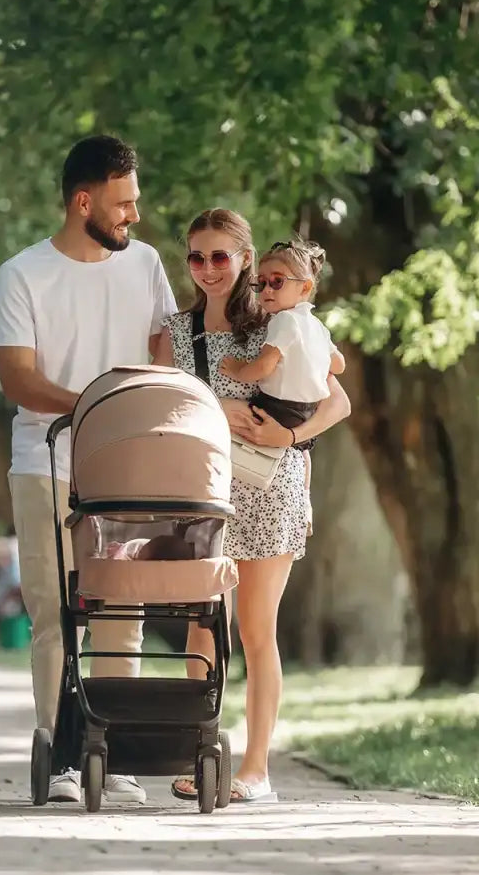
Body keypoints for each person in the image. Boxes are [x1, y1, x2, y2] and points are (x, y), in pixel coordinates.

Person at [0, 134, 177, 805]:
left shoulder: (147, 264)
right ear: (82, 200)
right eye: (123, 203)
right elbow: (18, 378)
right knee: (55, 612)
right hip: (46, 462)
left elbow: (167, 348)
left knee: (125, 606)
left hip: (127, 464)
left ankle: (112, 749)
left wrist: (150, 394)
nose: (134, 216)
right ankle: (64, 753)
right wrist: (97, 402)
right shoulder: (23, 274)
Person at [153, 208, 350, 804]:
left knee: (257, 629)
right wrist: (214, 403)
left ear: (244, 257)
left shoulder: (273, 323)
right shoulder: (173, 331)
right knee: (202, 627)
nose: (208, 269)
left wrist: (288, 435)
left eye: (220, 256)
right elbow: (160, 406)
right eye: (196, 257)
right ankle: (202, 753)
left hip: (271, 487)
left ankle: (256, 770)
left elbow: (337, 399)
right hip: (203, 488)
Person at [216, 238, 343, 447]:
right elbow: (339, 364)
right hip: (307, 413)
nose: (267, 290)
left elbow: (264, 366)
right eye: (261, 283)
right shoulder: (317, 326)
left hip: (277, 410)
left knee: (215, 409)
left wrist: (238, 370)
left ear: (305, 288)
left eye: (277, 282)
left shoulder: (284, 319)